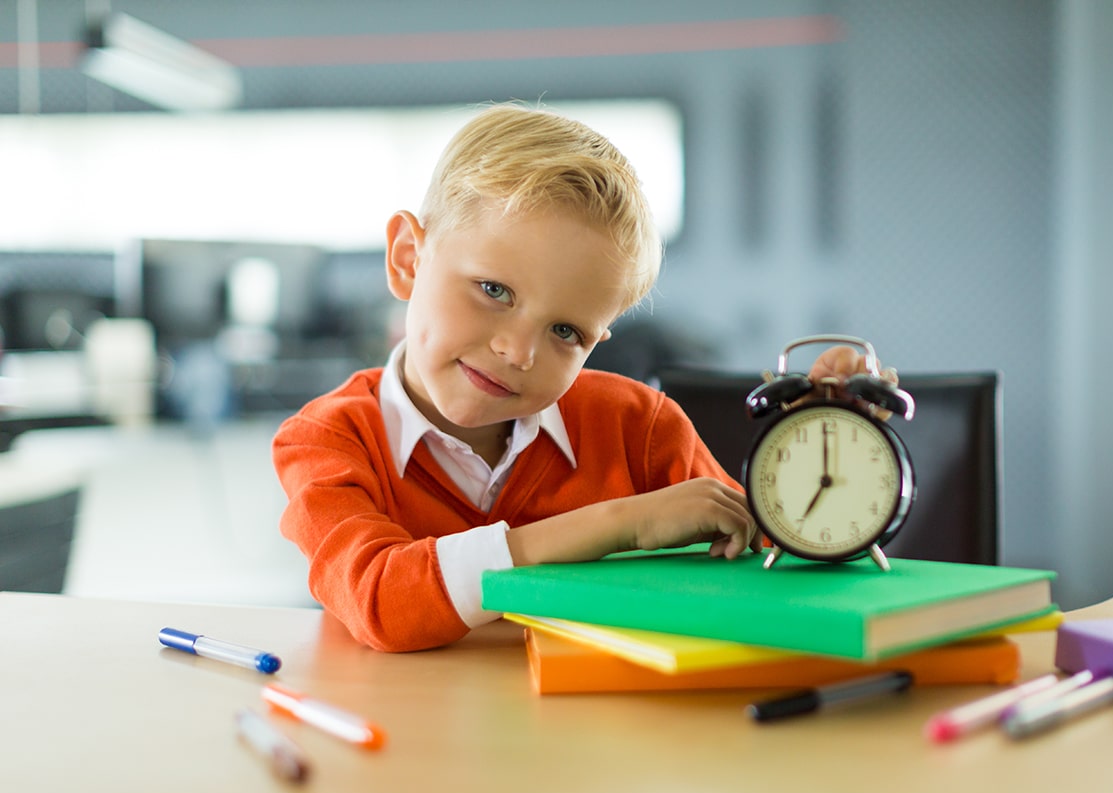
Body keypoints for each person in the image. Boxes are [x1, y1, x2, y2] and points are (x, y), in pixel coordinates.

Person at [272, 103, 880, 652]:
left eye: (566, 332)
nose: (518, 352)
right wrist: (619, 524)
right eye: (493, 290)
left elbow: (780, 573)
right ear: (408, 258)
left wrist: (836, 447)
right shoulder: (327, 441)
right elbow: (381, 599)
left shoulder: (639, 428)